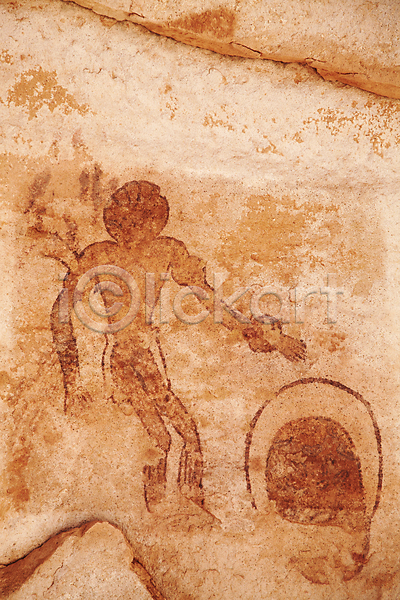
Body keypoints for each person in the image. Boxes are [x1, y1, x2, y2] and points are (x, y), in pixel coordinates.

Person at [51, 180, 306, 510]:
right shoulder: (100, 255)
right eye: (123, 221)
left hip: (144, 355)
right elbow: (60, 314)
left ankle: (182, 503)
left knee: (177, 436)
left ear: (155, 222)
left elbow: (210, 301)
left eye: (139, 221)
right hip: (125, 359)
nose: (131, 229)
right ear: (114, 221)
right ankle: (163, 508)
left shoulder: (164, 251)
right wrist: (72, 383)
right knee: (169, 437)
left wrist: (271, 337)